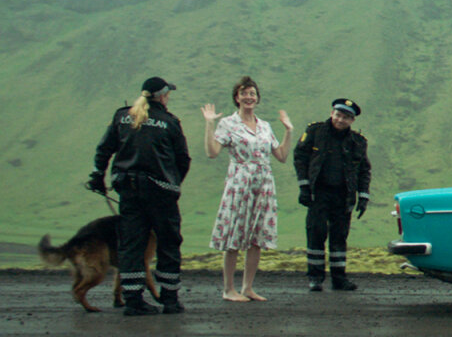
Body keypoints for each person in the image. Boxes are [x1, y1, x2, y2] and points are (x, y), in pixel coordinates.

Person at [87, 76, 191, 316]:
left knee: (131, 245)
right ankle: (170, 299)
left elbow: (104, 149)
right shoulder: (170, 122)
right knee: (168, 242)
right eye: (168, 94)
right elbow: (182, 159)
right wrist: (174, 183)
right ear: (163, 96)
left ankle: (133, 300)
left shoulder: (122, 116)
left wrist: (97, 177)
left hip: (129, 190)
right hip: (162, 193)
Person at [203, 76, 294, 302]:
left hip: (263, 184)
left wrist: (288, 131)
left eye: (252, 93)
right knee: (234, 235)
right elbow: (212, 152)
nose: (248, 97)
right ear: (237, 98)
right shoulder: (229, 124)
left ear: (257, 98)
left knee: (257, 237)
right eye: (244, 93)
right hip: (240, 184)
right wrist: (209, 123)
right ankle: (228, 289)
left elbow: (281, 156)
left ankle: (248, 287)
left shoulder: (264, 126)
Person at [294, 98, 371, 292]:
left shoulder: (358, 141)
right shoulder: (315, 132)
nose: (340, 120)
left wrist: (363, 196)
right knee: (316, 233)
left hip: (343, 195)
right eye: (338, 115)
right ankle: (315, 278)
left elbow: (363, 170)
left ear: (352, 120)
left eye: (346, 117)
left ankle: (339, 279)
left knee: (339, 236)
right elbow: (300, 158)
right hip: (318, 193)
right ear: (331, 113)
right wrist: (304, 187)